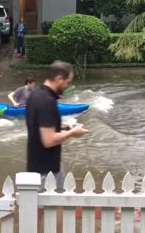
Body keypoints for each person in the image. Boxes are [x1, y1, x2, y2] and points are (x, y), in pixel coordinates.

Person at [25, 60, 89, 192]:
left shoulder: (35, 95)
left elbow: (40, 126)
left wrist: (65, 127)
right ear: (59, 78)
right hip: (46, 171)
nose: (67, 86)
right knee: (49, 210)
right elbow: (49, 141)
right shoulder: (47, 101)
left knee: (44, 210)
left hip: (36, 164)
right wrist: (73, 133)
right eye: (68, 82)